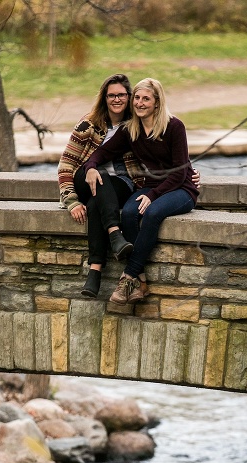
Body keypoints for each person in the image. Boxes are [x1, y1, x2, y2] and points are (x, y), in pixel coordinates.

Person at [84, 77, 198, 305]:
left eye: (146, 99)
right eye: (137, 98)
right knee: (128, 213)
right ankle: (141, 282)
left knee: (153, 213)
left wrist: (153, 195)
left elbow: (179, 172)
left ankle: (128, 277)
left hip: (182, 189)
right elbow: (102, 153)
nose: (140, 103)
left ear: (157, 102)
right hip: (151, 187)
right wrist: (90, 167)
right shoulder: (131, 129)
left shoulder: (174, 126)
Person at [57, 73, 144, 298]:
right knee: (98, 175)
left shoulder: (136, 126)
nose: (116, 99)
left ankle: (94, 272)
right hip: (85, 180)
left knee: (97, 202)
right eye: (111, 95)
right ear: (104, 98)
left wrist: (188, 172)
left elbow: (159, 157)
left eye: (122, 95)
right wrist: (72, 201)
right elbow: (66, 166)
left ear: (129, 97)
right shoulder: (89, 124)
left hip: (121, 183)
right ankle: (115, 234)